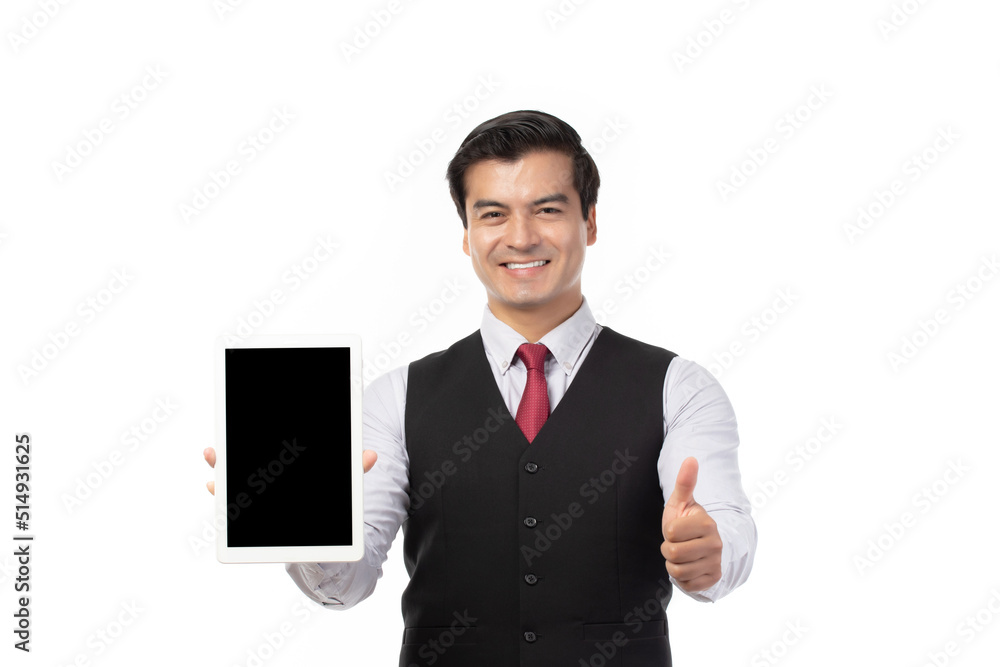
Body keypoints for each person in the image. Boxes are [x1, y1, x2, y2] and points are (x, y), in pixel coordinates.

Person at [204, 109, 756, 666]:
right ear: (467, 235)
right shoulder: (394, 399)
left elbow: (723, 534)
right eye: (493, 214)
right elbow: (347, 584)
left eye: (547, 209)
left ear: (589, 221)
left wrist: (708, 556)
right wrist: (301, 524)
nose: (520, 237)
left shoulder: (679, 389)